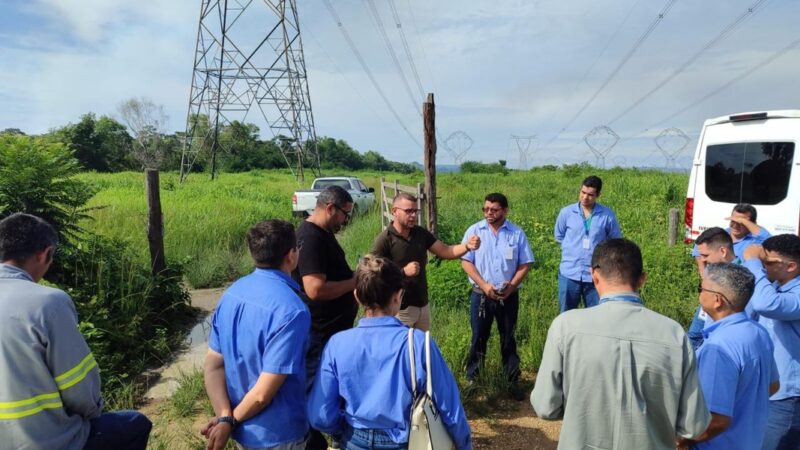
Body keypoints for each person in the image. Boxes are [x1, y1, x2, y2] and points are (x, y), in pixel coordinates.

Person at [531, 238, 710, 449]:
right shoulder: (674, 334)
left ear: (594, 276)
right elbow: (693, 425)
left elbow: (546, 407)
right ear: (642, 279)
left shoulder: (566, 326)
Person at [0, 213, 152, 450]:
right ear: (45, 253)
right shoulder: (47, 303)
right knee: (136, 423)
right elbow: (79, 390)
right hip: (46, 443)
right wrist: (93, 409)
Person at [307, 255, 471, 450]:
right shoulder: (417, 342)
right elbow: (450, 407)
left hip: (353, 439)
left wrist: (341, 430)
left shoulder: (337, 344)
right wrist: (464, 445)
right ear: (398, 296)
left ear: (357, 296)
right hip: (403, 440)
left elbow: (320, 414)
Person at [202, 219, 310, 450]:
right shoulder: (292, 310)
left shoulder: (232, 293)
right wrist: (229, 421)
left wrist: (224, 416)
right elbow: (262, 393)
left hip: (242, 431)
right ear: (291, 255)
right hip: (279, 434)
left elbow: (213, 365)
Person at [677, 263, 779, 450]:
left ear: (717, 300)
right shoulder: (758, 332)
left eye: (702, 288)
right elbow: (773, 385)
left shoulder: (719, 347)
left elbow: (717, 420)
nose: (700, 293)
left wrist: (682, 441)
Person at [293, 185, 358, 450]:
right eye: (345, 213)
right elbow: (315, 289)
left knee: (330, 388)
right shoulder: (311, 238)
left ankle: (330, 435)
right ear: (330, 207)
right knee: (315, 390)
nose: (346, 219)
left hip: (332, 330)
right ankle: (313, 441)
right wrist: (354, 282)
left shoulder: (323, 233)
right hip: (320, 332)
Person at [371, 192, 480, 331]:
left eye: (415, 211)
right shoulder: (385, 240)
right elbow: (373, 275)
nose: (413, 215)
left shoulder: (420, 233)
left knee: (423, 349)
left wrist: (466, 246)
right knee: (404, 350)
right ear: (394, 211)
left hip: (423, 305)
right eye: (408, 211)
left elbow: (445, 250)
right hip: (400, 309)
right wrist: (403, 272)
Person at [461, 193, 533, 394]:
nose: (488, 213)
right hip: (481, 295)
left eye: (493, 209)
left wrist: (512, 285)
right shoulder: (475, 231)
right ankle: (473, 380)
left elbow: (525, 263)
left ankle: (512, 380)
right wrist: (484, 285)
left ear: (505, 211)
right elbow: (466, 262)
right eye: (485, 209)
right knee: (478, 337)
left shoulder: (516, 234)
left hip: (508, 296)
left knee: (508, 337)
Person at [742, 234, 800, 449]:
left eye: (769, 262)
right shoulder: (773, 287)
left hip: (788, 396)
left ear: (791, 266)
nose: (764, 266)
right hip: (768, 387)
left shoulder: (794, 293)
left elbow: (767, 305)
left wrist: (754, 263)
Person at [554, 175, 622, 312]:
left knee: (596, 314)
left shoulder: (607, 215)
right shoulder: (567, 212)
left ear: (598, 195)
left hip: (595, 274)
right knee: (566, 314)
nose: (585, 197)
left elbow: (615, 241)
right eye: (583, 192)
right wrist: (572, 250)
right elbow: (559, 235)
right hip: (569, 273)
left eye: (590, 195)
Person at [687, 227, 739, 350]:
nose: (703, 260)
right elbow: (695, 335)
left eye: (705, 255)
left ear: (723, 251)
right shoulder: (711, 275)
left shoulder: (743, 280)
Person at [692, 203, 770, 275]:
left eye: (741, 223)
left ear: (752, 223)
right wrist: (703, 274)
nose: (735, 226)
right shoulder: (721, 233)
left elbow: (768, 239)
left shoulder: (755, 241)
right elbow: (699, 246)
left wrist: (743, 221)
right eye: (733, 221)